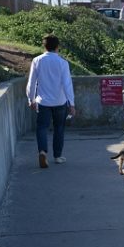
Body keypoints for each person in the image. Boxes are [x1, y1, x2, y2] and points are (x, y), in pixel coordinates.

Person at [26, 34, 76, 168]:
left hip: (43, 102)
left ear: (44, 46)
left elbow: (32, 82)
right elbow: (67, 84)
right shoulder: (63, 63)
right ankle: (58, 156)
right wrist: (71, 104)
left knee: (42, 127)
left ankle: (42, 151)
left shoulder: (37, 60)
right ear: (57, 47)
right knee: (59, 128)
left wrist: (31, 99)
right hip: (60, 102)